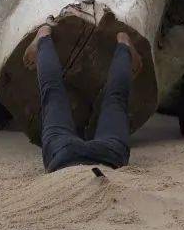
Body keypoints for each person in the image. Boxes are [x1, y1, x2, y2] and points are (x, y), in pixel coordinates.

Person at [23, 23, 141, 173]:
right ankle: (44, 38)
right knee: (53, 94)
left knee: (116, 99)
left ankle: (123, 46)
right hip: (65, 154)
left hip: (109, 156)